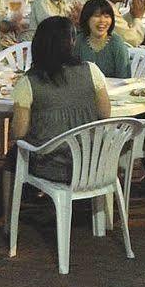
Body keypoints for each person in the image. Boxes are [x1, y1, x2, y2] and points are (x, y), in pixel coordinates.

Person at [12, 15, 112, 180]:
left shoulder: (28, 82)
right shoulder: (91, 70)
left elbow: (19, 132)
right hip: (91, 163)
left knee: (12, 157)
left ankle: (10, 205)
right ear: (71, 42)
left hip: (51, 167)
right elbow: (105, 113)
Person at [75, 0, 134, 81]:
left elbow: (124, 78)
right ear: (87, 19)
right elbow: (72, 74)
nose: (102, 21)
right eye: (97, 16)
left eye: (107, 16)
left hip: (113, 91)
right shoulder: (79, 41)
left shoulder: (116, 43)